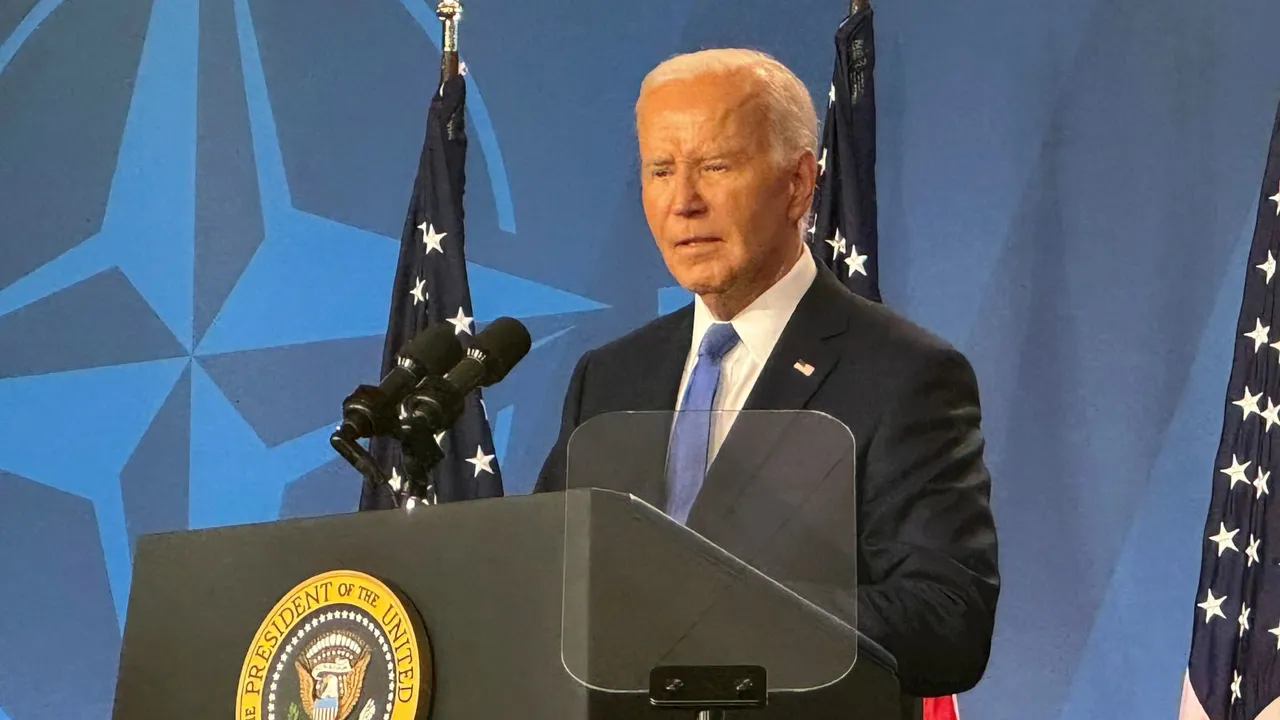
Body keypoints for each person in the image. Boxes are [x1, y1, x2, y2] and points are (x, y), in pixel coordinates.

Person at [533, 48, 999, 705]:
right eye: (660, 170)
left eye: (716, 166)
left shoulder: (904, 375)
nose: (683, 202)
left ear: (799, 184)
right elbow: (543, 586)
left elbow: (947, 619)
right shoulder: (609, 377)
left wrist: (720, 614)